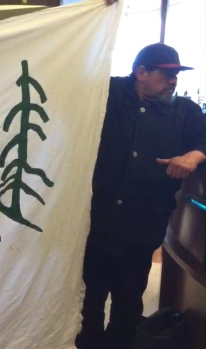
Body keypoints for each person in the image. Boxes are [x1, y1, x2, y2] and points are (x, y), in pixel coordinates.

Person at [75, 43, 206, 349]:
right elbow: (71, 80)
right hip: (95, 222)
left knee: (129, 301)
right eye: (166, 74)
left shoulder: (185, 112)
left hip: (143, 223)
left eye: (177, 75)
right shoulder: (106, 95)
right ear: (141, 73)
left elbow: (204, 137)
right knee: (88, 301)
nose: (173, 81)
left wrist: (195, 155)